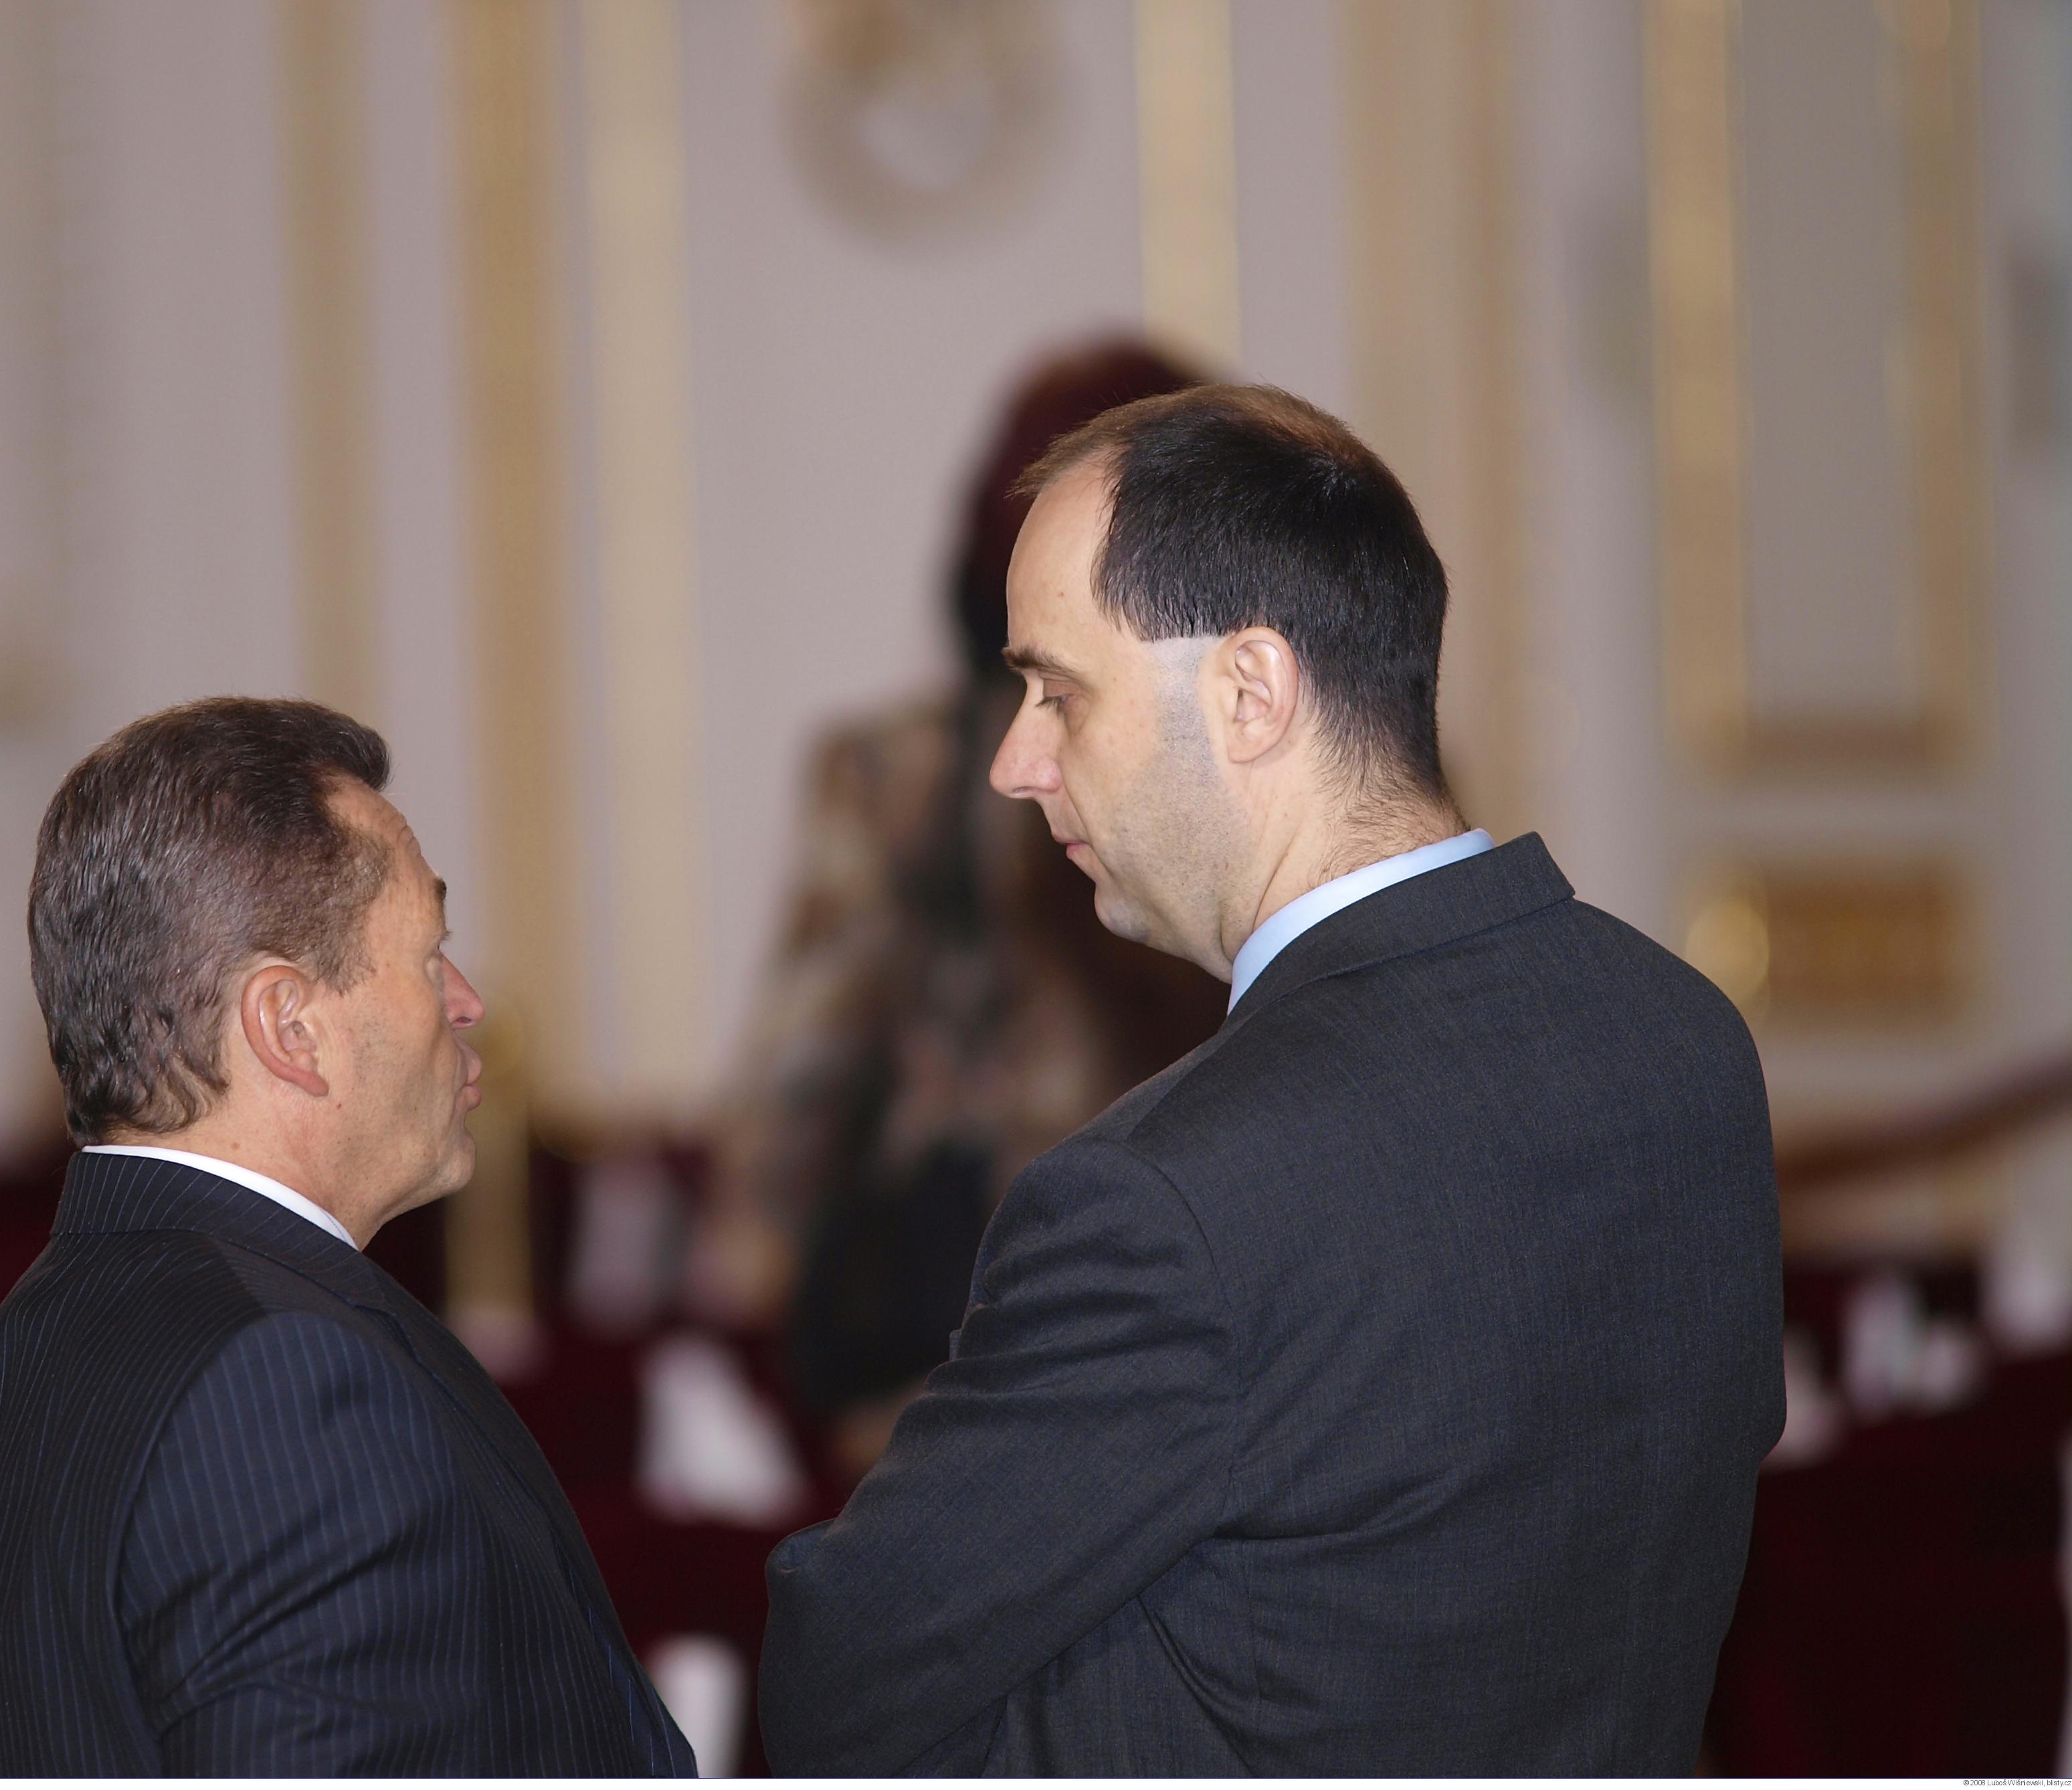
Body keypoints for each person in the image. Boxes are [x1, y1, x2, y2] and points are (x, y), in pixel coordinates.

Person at [759, 385, 1785, 1774]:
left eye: (1057, 691)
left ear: (1249, 693)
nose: (1013, 761)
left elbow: (845, 1677)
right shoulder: (1684, 1041)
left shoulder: (1162, 1199)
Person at [0, 699, 692, 1776]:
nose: (467, 1003)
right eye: (430, 954)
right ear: (289, 1027)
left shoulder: (4, 1362)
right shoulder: (286, 1380)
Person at [696, 341, 1224, 1475]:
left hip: (1002, 1356)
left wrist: (725, 1357)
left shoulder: (900, 772)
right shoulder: (1298, 751)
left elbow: (790, 1093)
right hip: (1169, 1332)